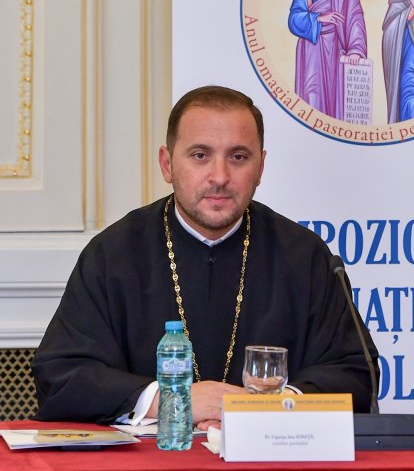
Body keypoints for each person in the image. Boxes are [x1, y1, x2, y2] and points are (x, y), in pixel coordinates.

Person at [33, 86, 378, 428]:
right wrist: (170, 400)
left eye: (238, 157)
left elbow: (356, 373)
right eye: (200, 155)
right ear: (167, 164)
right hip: (153, 460)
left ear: (261, 167)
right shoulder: (113, 255)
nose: (220, 177)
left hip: (267, 457)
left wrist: (270, 407)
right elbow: (62, 375)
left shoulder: (304, 256)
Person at [288, 0, 367, 120]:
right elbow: (294, 19)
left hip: (337, 45)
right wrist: (318, 18)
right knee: (313, 93)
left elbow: (355, 14)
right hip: (313, 48)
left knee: (336, 97)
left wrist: (355, 49)